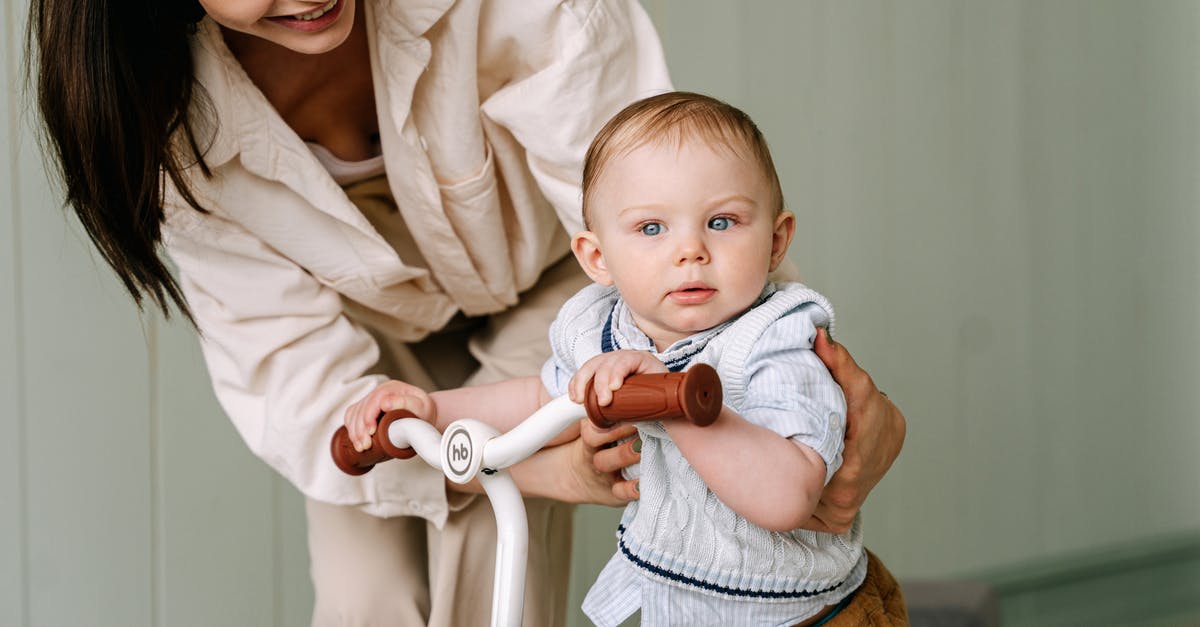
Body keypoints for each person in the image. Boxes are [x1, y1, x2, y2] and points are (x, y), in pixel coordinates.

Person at [28, 0, 906, 623]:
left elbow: (672, 227)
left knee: (495, 571)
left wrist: (799, 387)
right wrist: (517, 461)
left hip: (571, 287)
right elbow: (297, 388)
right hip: (368, 343)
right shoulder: (168, 125)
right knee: (364, 593)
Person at [346, 91, 907, 625]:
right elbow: (541, 400)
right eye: (651, 228)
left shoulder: (776, 342)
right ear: (598, 258)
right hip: (676, 604)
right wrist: (428, 411)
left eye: (721, 222)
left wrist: (675, 401)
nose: (691, 250)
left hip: (805, 616)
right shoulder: (603, 328)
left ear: (777, 241)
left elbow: (789, 497)